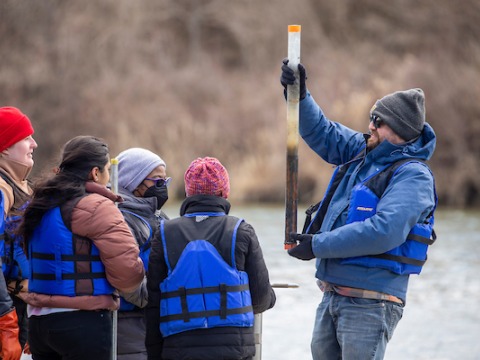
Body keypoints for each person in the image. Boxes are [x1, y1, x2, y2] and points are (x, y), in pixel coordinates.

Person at [280, 59, 437, 360]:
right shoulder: (361, 151)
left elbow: (384, 231)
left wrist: (317, 244)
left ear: (399, 129)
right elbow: (323, 132)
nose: (370, 126)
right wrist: (299, 94)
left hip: (371, 304)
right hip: (333, 295)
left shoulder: (413, 175)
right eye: (371, 119)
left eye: (378, 121)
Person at [18, 135, 145, 360]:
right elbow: (127, 273)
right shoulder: (97, 206)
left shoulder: (39, 203)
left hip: (38, 323)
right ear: (95, 173)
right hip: (83, 324)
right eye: (106, 170)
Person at [145, 157, 276, 360]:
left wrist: (155, 353)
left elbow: (153, 304)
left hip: (179, 349)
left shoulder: (164, 233)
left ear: (188, 192)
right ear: (224, 192)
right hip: (235, 350)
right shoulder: (241, 230)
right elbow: (260, 299)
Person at [115, 147, 170, 360]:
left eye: (165, 181)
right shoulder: (119, 217)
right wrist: (156, 298)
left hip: (154, 319)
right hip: (128, 321)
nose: (163, 187)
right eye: (157, 181)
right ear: (133, 181)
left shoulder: (159, 216)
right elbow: (125, 276)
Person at [0, 106, 37, 359]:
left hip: (26, 308)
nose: (34, 143)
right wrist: (5, 320)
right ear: (4, 147)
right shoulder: (2, 189)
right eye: (25, 138)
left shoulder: (24, 186)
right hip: (8, 312)